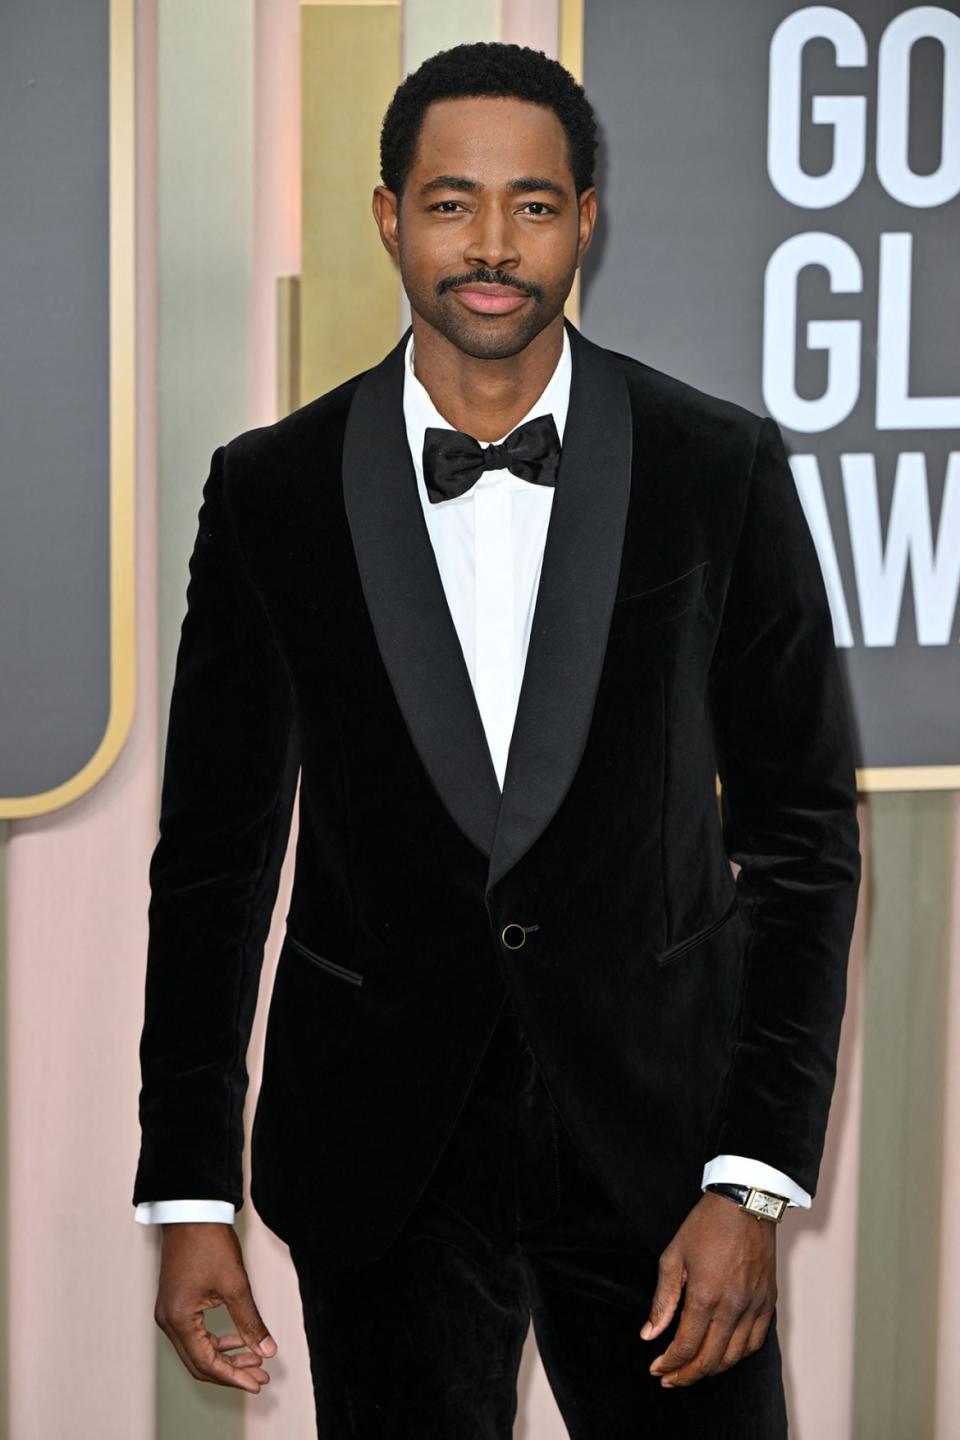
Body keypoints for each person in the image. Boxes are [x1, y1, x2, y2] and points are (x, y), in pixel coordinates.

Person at [133, 41, 861, 1437]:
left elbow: (804, 840)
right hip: (379, 1159)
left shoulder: (719, 469)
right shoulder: (271, 492)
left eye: (533, 205)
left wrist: (752, 1175)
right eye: (452, 200)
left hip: (664, 1155)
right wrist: (188, 1190)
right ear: (389, 216)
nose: (491, 244)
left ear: (588, 218)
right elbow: (214, 862)